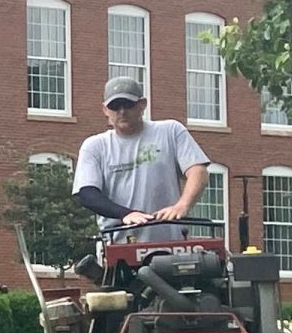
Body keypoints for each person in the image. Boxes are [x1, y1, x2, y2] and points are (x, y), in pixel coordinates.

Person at [73, 76, 211, 243]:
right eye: (115, 106)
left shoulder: (171, 131)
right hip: (118, 244)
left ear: (142, 104)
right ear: (105, 110)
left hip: (171, 243)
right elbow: (86, 193)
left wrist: (182, 205)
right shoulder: (95, 146)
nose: (122, 111)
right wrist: (125, 214)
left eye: (128, 104)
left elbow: (198, 171)